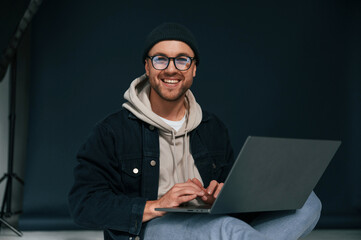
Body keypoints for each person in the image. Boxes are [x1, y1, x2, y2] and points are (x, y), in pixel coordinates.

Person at [68, 23, 322, 240]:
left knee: (307, 203)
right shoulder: (113, 131)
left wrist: (221, 197)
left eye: (182, 59)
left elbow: (228, 188)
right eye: (160, 59)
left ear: (193, 68)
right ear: (147, 67)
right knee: (227, 229)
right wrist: (156, 205)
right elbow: (83, 203)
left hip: (211, 219)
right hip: (153, 227)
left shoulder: (212, 127)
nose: (171, 68)